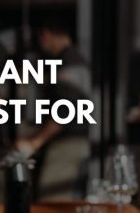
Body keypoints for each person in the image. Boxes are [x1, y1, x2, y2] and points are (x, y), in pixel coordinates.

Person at [15, 16, 92, 200]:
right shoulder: (72, 59)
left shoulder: (68, 62)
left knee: (53, 202)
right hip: (69, 143)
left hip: (67, 145)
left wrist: (36, 141)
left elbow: (66, 110)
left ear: (46, 34)